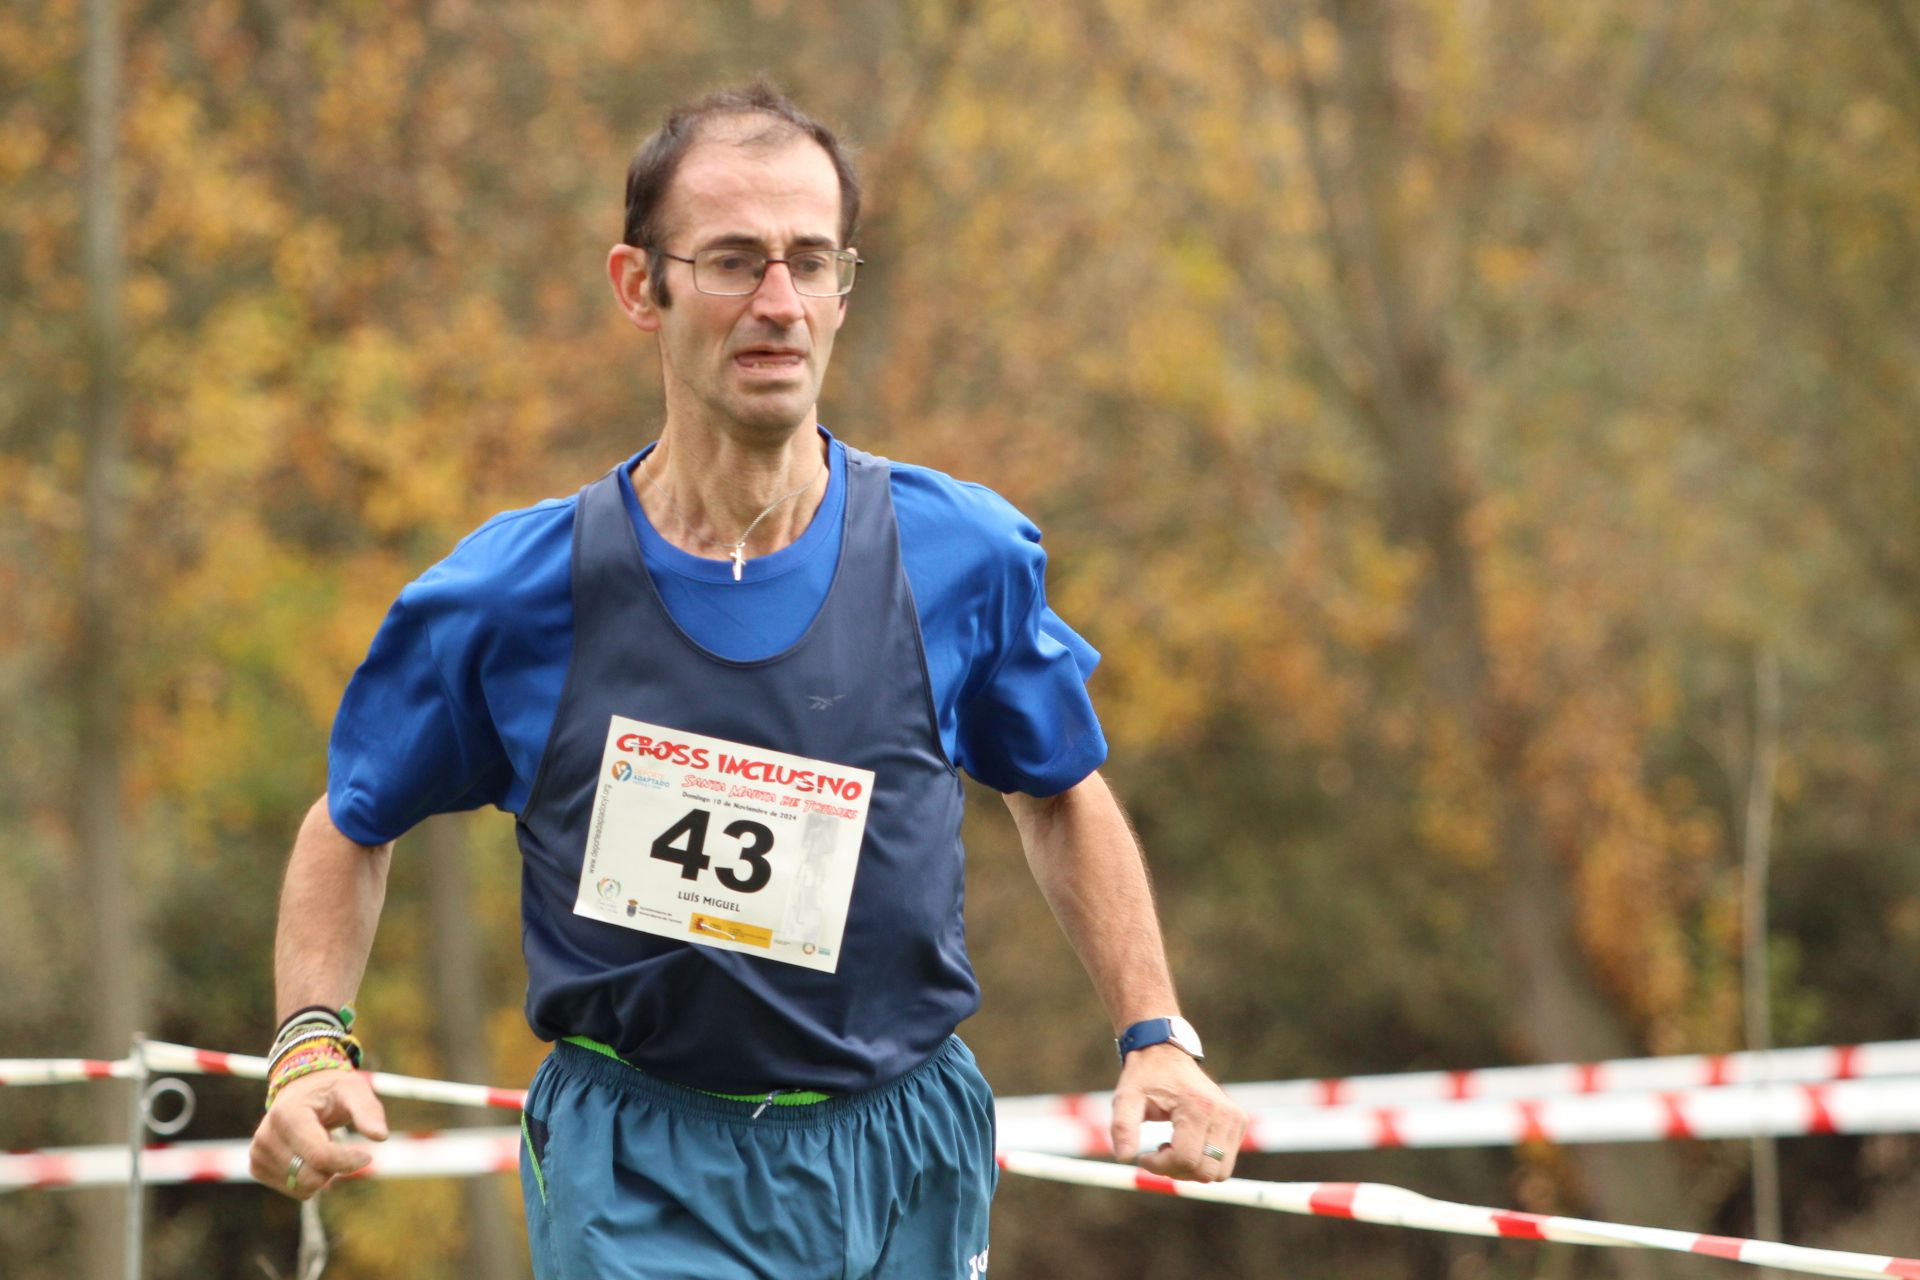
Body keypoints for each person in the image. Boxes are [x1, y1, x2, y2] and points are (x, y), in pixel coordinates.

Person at [248, 82, 1247, 1279]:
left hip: (908, 1139)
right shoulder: (509, 595)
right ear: (640, 286)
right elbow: (351, 821)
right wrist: (312, 1042)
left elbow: (1061, 787)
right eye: (731, 261)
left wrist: (1157, 1032)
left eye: (809, 262)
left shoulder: (961, 555)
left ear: (842, 289)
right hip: (644, 1162)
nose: (777, 303)